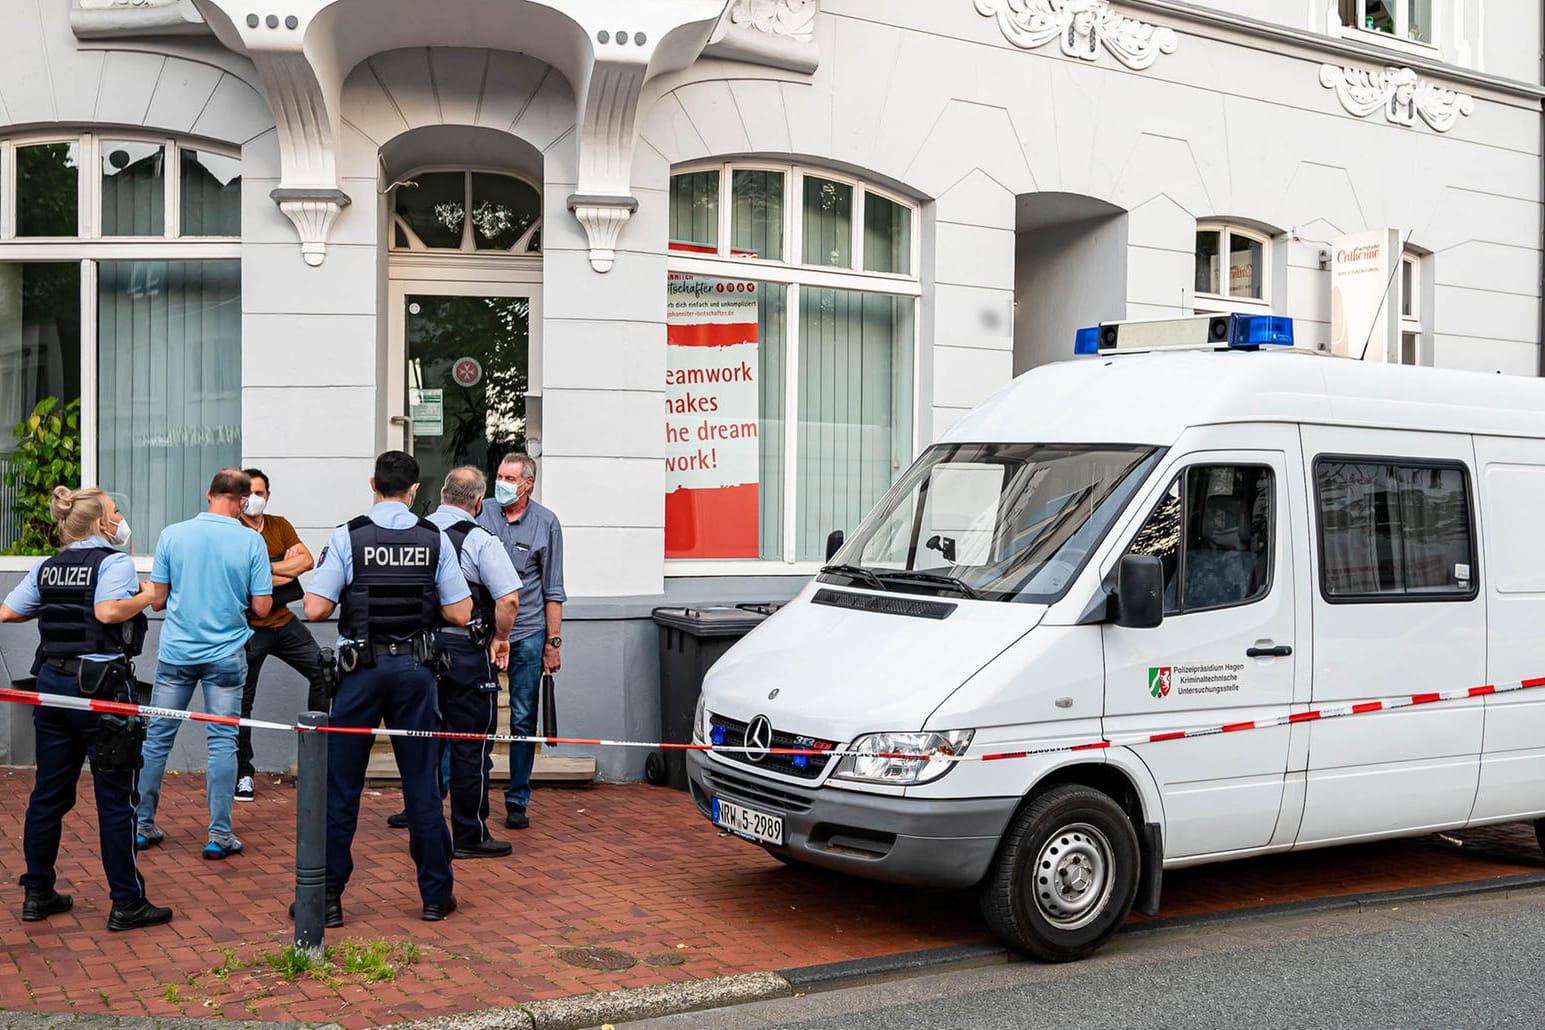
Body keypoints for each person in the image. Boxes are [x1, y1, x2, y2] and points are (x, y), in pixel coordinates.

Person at [304, 450, 471, 925]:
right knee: (421, 786)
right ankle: (436, 896)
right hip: (415, 675)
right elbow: (460, 614)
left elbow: (315, 609)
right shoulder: (433, 537)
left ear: (372, 483)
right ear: (415, 490)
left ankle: (328, 899)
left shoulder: (349, 536)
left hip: (359, 673)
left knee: (341, 789)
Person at [0, 486, 173, 931]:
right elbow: (109, 612)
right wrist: (148, 596)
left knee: (48, 794)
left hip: (54, 686)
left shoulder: (47, 567)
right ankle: (126, 903)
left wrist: (53, 609)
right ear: (100, 523)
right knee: (117, 800)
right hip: (102, 692)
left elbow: (9, 612)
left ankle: (37, 893)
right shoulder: (113, 563)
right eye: (116, 512)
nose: (120, 519)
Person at [135, 469, 272, 860]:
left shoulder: (172, 535)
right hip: (226, 654)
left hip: (177, 652)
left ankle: (142, 825)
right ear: (244, 501)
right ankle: (219, 834)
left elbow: (158, 601)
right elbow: (262, 606)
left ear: (208, 493)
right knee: (223, 742)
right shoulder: (251, 541)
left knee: (158, 738)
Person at [421, 466, 520, 858]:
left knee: (423, 744)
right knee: (470, 746)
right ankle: (469, 835)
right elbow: (508, 598)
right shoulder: (479, 539)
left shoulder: (416, 533)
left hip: (418, 653)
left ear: (442, 493)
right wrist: (501, 638)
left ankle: (423, 825)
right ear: (479, 503)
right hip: (464, 653)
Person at [476, 452, 565, 831]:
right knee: (475, 715)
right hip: (483, 632)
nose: (502, 483)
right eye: (499, 475)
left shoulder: (547, 524)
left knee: (524, 719)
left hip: (528, 632)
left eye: (510, 478)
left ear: (527, 484)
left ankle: (517, 799)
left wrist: (553, 643)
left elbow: (554, 589)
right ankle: (467, 792)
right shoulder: (483, 512)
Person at [235, 467, 326, 803]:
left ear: (267, 495)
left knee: (324, 673)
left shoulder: (279, 524)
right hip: (248, 629)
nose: (252, 500)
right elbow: (242, 579)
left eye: (259, 493)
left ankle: (317, 760)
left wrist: (263, 567)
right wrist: (278, 568)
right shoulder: (233, 530)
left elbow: (306, 561)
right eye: (247, 494)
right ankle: (244, 773)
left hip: (284, 622)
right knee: (242, 702)